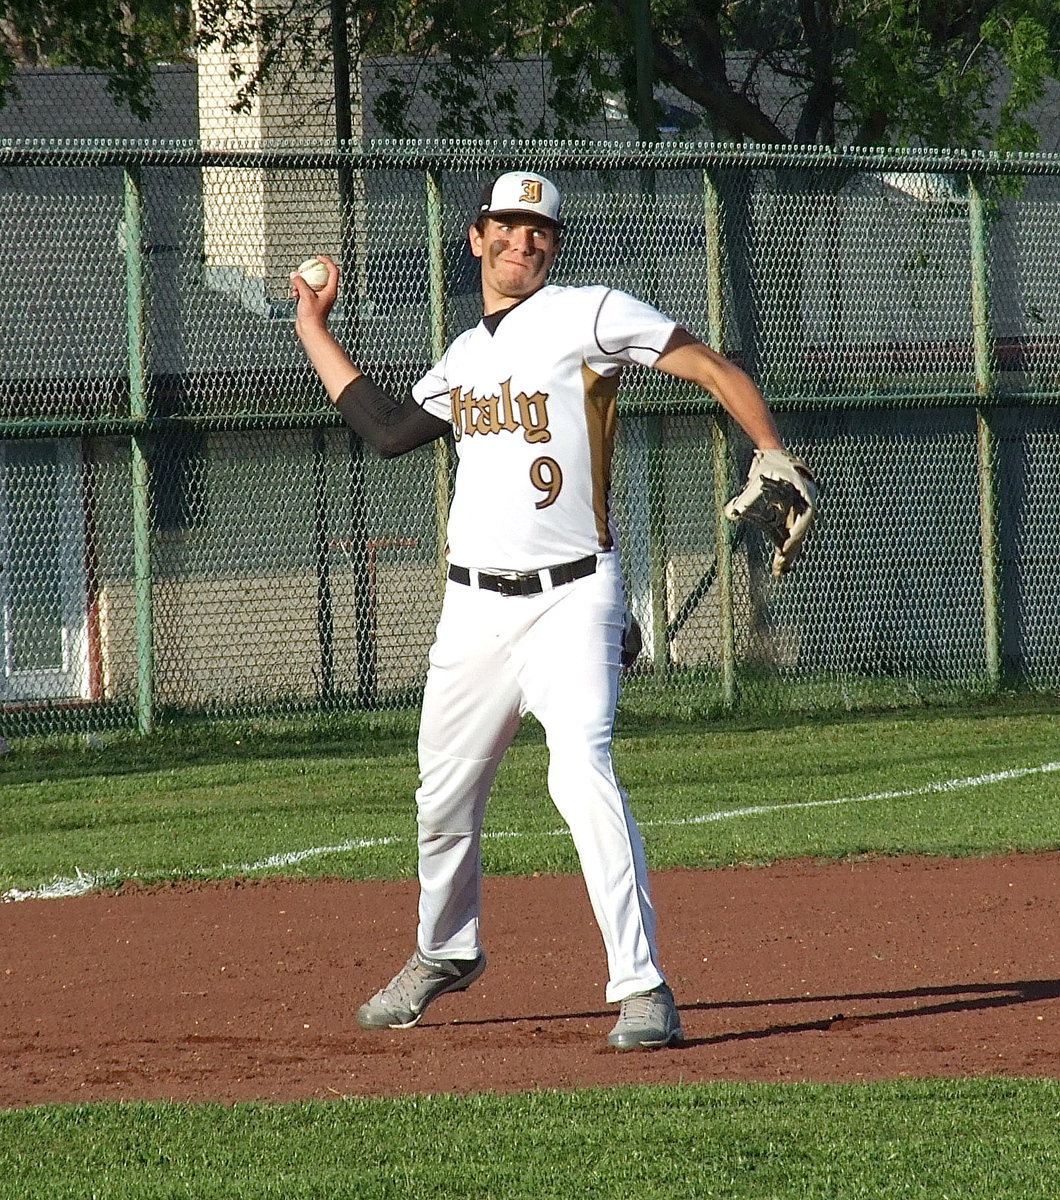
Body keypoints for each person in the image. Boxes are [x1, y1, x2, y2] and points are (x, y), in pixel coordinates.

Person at [291, 170, 816, 1050]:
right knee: (442, 797)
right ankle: (445, 951)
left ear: (553, 246)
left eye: (538, 230)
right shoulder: (463, 356)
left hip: (575, 595)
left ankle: (643, 988)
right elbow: (385, 431)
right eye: (507, 225)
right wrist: (313, 328)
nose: (521, 241)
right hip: (471, 610)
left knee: (581, 774)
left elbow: (706, 363)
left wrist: (768, 447)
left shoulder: (590, 313)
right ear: (476, 237)